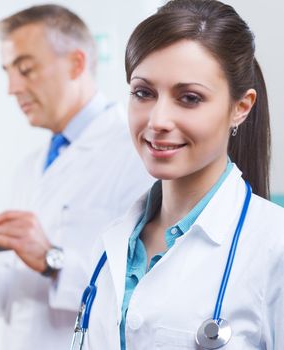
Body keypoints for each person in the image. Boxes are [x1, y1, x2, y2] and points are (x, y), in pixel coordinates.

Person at [0, 4, 153, 350]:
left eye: (26, 69)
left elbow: (143, 288)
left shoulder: (136, 154)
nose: (12, 88)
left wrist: (52, 259)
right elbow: (24, 295)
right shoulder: (29, 168)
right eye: (7, 72)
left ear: (76, 64)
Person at [78, 0, 284, 349]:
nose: (157, 120)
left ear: (240, 108)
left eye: (189, 98)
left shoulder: (274, 247)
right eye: (143, 93)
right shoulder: (110, 245)